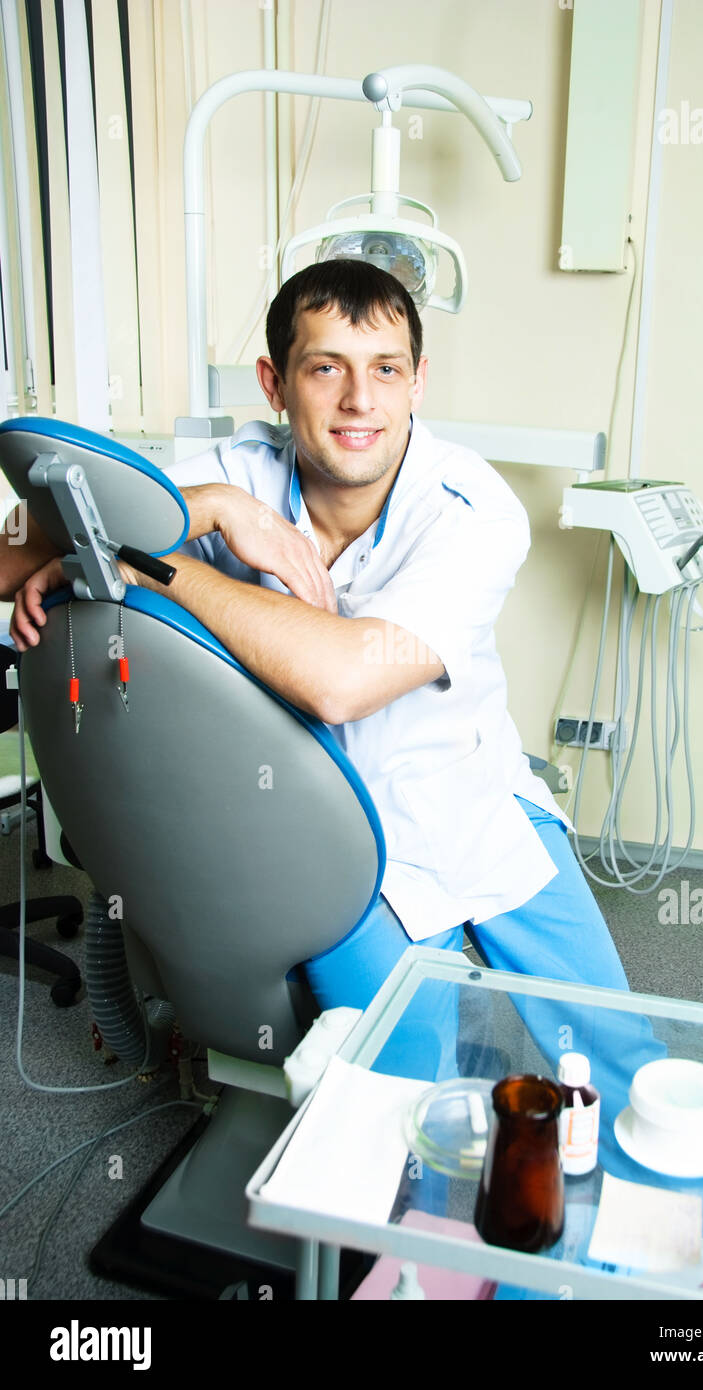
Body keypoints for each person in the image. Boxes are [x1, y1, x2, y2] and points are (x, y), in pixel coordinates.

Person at [5, 260, 657, 1101]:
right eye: (326, 368)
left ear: (418, 381)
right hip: (310, 830)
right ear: (275, 383)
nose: (360, 401)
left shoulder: (468, 507)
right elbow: (8, 548)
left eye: (385, 369)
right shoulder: (233, 473)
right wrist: (211, 509)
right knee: (403, 1080)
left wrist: (153, 563)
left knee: (614, 1050)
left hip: (465, 796)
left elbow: (343, 680)